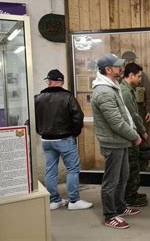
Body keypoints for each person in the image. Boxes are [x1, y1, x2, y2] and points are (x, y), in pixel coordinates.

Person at [91, 54, 142, 229]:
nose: (121, 69)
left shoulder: (112, 87)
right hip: (113, 143)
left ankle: (120, 206)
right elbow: (117, 123)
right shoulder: (104, 91)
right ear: (108, 70)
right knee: (111, 180)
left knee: (123, 176)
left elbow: (123, 117)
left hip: (120, 142)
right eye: (118, 66)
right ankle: (110, 215)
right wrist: (134, 136)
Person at [34, 69, 93, 211]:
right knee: (72, 169)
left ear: (48, 81)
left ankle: (54, 200)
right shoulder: (68, 97)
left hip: (46, 140)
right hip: (65, 139)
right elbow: (78, 117)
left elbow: (32, 118)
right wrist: (74, 133)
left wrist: (40, 131)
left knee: (50, 170)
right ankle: (74, 201)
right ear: (62, 82)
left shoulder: (38, 98)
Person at [120, 62, 148, 207]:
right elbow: (133, 115)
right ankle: (130, 196)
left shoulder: (127, 89)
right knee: (132, 166)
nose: (140, 79)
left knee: (132, 165)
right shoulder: (125, 92)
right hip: (130, 135)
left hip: (129, 133)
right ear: (130, 75)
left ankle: (131, 193)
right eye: (138, 76)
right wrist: (142, 131)